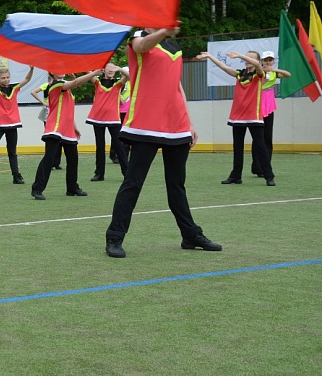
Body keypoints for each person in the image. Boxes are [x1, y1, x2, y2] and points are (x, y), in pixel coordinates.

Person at [105, 27, 222, 258]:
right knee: (133, 182)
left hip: (176, 123)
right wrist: (163, 30)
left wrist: (188, 122)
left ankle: (190, 235)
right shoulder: (139, 38)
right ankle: (114, 237)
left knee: (177, 184)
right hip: (146, 122)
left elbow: (176, 86)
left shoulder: (174, 48)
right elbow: (142, 46)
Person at [198, 50, 275, 186]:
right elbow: (224, 67)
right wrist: (210, 56)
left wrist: (240, 55)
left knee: (261, 145)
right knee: (237, 147)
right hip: (238, 116)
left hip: (253, 116)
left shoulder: (259, 74)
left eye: (250, 58)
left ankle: (269, 176)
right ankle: (236, 175)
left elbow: (257, 64)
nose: (247, 60)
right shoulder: (240, 74)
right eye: (247, 57)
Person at [31, 70, 98, 200]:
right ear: (52, 74)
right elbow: (77, 82)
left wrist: (75, 127)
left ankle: (72, 188)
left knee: (73, 159)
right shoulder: (55, 85)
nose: (61, 71)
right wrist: (93, 73)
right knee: (49, 159)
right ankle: (37, 189)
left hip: (67, 130)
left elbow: (67, 110)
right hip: (55, 128)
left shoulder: (66, 90)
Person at [85, 63, 129, 181]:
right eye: (108, 68)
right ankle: (99, 174)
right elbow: (87, 70)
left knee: (119, 146)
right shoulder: (97, 82)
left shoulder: (118, 83)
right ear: (103, 70)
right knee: (100, 146)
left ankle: (127, 173)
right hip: (97, 118)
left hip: (114, 119)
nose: (111, 70)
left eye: (113, 68)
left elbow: (129, 76)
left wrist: (120, 68)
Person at [251, 50, 290, 177]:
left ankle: (265, 166)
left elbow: (288, 74)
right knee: (258, 138)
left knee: (267, 138)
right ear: (261, 61)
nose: (268, 62)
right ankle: (257, 166)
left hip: (269, 108)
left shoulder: (273, 73)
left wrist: (274, 70)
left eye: (270, 60)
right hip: (256, 107)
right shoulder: (258, 72)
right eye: (265, 60)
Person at [30, 73, 63, 170]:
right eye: (51, 81)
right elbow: (33, 92)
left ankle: (56, 162)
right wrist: (43, 102)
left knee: (59, 138)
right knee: (50, 137)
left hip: (58, 112)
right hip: (48, 113)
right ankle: (50, 161)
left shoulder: (61, 85)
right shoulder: (46, 86)